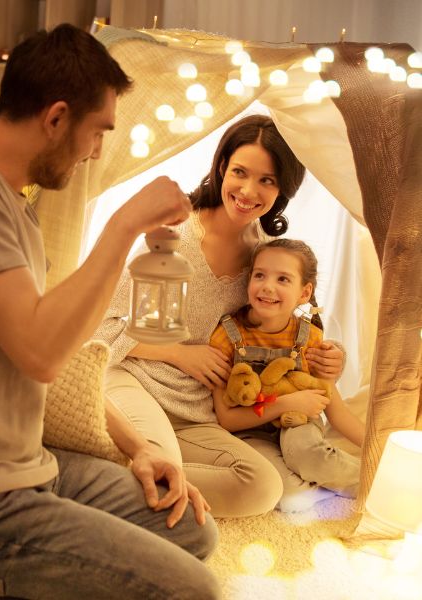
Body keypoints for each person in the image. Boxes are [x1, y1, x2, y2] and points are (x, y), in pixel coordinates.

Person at [0, 24, 222, 600]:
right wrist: (123, 224)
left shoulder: (14, 206)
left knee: (189, 531)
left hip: (23, 464)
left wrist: (142, 448)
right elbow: (39, 352)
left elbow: (56, 355)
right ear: (56, 118)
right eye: (98, 132)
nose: (97, 152)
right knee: (192, 590)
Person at [95, 114, 345, 518]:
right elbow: (100, 329)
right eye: (240, 172)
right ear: (221, 168)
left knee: (264, 487)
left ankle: (122, 480)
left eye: (267, 180)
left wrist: (331, 360)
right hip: (134, 381)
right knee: (164, 467)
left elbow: (283, 329)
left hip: (196, 409)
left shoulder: (265, 255)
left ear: (283, 189)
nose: (249, 191)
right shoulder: (172, 237)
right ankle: (130, 480)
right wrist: (178, 353)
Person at [211, 239, 364, 512]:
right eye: (260, 275)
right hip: (249, 431)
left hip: (299, 423)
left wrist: (381, 453)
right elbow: (227, 419)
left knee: (309, 457)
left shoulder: (310, 338)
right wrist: (286, 403)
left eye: (283, 278)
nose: (268, 286)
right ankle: (322, 485)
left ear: (304, 293)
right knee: (287, 493)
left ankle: (373, 483)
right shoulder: (226, 335)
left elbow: (336, 411)